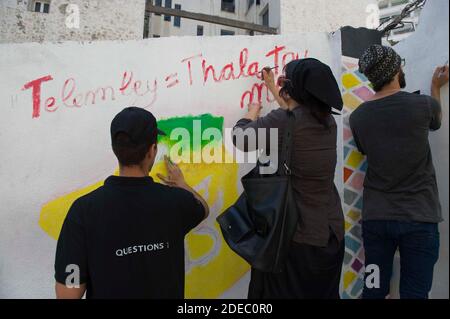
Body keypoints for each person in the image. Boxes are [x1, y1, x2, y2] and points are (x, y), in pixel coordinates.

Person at [54, 107, 209, 299]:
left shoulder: (83, 210)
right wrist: (181, 184)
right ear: (152, 150)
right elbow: (202, 207)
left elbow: (69, 294)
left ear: (114, 149)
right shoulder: (177, 201)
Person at [233, 59, 345, 299]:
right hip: (330, 234)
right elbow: (294, 113)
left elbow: (241, 138)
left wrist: (250, 114)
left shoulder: (283, 122)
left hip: (296, 239)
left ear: (293, 88)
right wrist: (273, 86)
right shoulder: (328, 121)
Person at [349, 45, 449, 299]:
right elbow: (436, 123)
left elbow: (363, 149)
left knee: (373, 287)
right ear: (396, 70)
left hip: (376, 222)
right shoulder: (423, 106)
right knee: (415, 292)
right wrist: (436, 87)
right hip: (419, 220)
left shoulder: (358, 117)